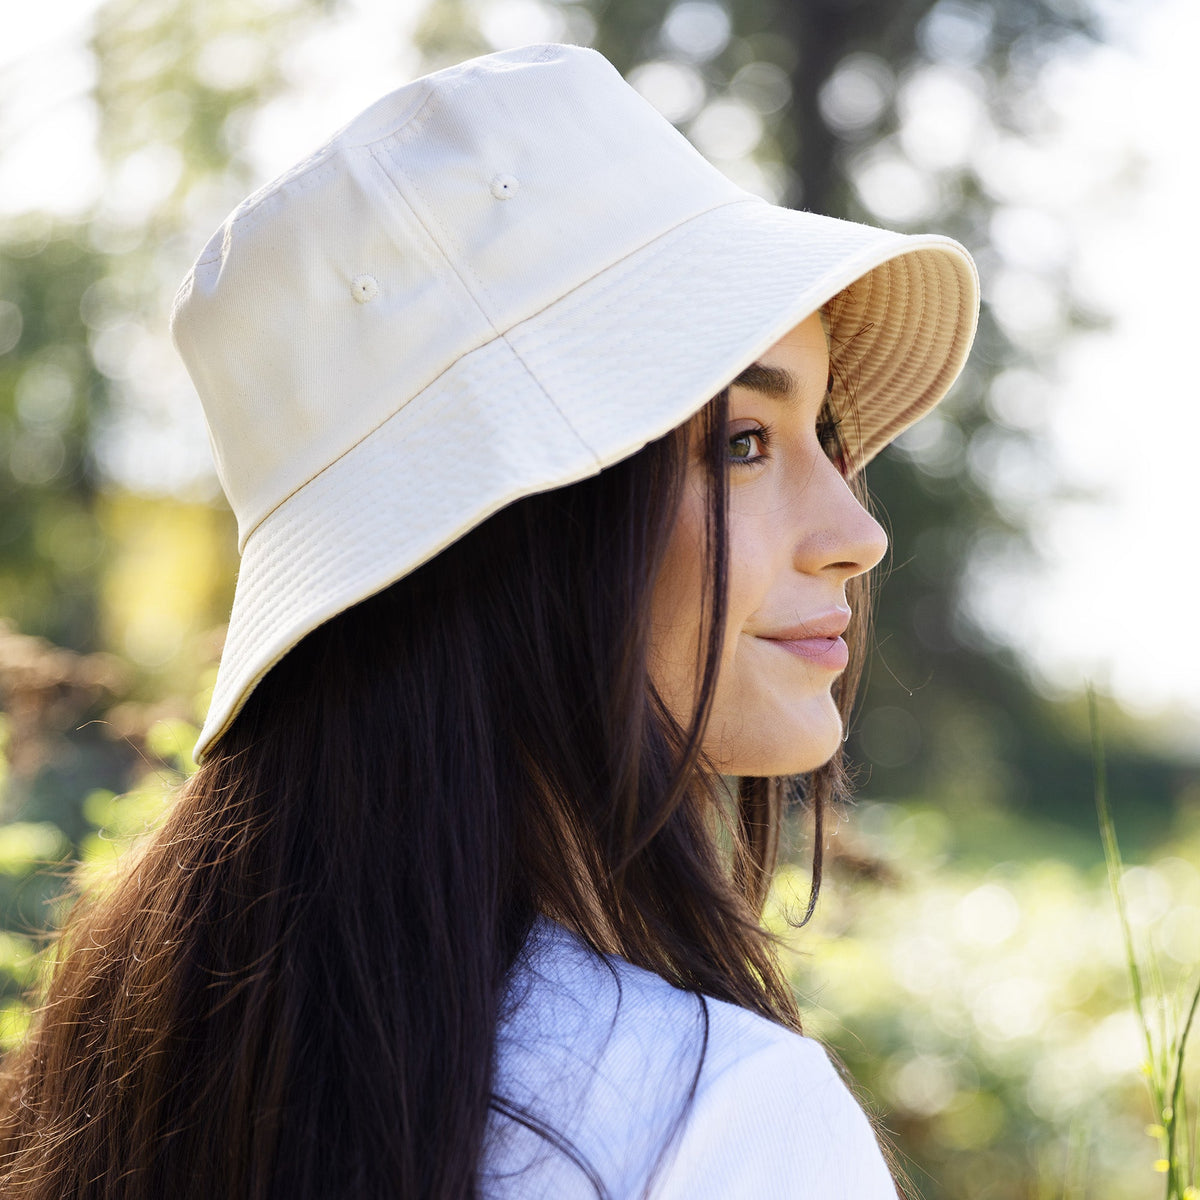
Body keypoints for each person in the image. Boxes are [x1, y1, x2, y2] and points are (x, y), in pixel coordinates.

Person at [0, 43, 978, 1200]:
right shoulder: (715, 1121)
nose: (856, 534)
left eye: (829, 439)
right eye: (741, 445)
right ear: (524, 539)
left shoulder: (117, 1071)